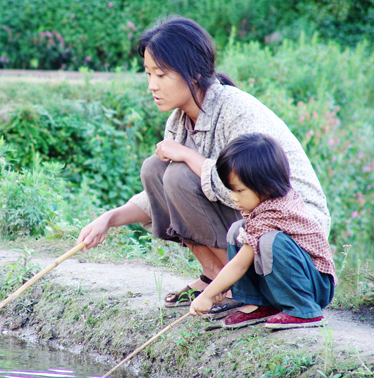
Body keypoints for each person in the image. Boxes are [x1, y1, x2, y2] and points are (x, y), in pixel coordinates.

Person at [76, 16, 330, 318]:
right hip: (250, 224)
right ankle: (215, 275)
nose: (151, 85)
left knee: (179, 173)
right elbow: (159, 193)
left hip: (289, 238)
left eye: (160, 74)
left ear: (194, 72)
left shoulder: (237, 111)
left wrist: (187, 156)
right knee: (154, 169)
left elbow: (252, 188)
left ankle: (241, 285)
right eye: (148, 74)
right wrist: (109, 218)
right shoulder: (179, 120)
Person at [190, 133, 336, 329]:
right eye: (232, 190)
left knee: (271, 241)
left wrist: (206, 296)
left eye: (239, 191)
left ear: (265, 187)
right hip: (299, 279)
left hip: (315, 285)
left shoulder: (276, 212)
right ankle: (257, 303)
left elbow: (240, 265)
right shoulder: (267, 202)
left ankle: (304, 310)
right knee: (237, 230)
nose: (233, 198)